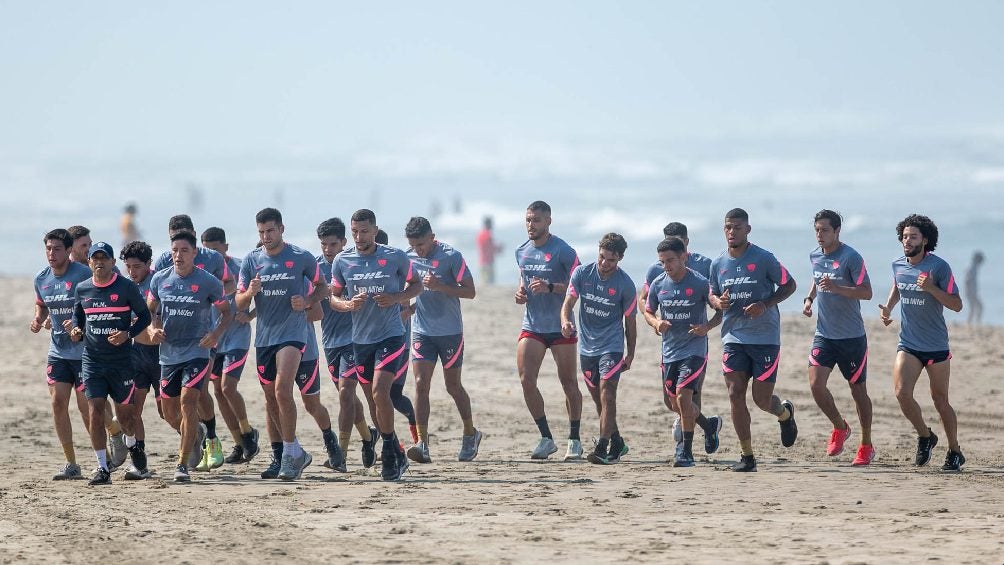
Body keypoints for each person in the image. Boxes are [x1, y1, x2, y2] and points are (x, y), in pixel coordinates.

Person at [329, 209, 422, 481]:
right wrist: (347, 305)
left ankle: (390, 457)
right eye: (355, 232)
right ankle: (395, 448)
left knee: (382, 392)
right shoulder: (342, 261)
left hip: (391, 334)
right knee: (372, 399)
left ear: (374, 230)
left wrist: (395, 298)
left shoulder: (394, 257)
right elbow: (333, 298)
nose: (359, 237)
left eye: (364, 231)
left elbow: (416, 286)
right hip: (360, 340)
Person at [237, 208, 328, 480]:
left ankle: (290, 454)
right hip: (265, 336)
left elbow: (324, 287)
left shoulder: (300, 257)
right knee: (270, 398)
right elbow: (239, 302)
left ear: (281, 229)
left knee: (282, 389)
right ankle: (293, 452)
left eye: (270, 231)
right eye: (262, 232)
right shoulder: (251, 261)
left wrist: (309, 301)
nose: (266, 236)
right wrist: (249, 293)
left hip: (293, 333)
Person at [708, 208, 798, 472]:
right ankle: (747, 456)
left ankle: (784, 413)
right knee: (735, 394)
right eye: (727, 227)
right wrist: (718, 301)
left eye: (737, 227)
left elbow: (789, 285)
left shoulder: (763, 258)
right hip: (733, 336)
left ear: (747, 229)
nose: (732, 232)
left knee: (761, 399)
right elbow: (713, 295)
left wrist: (765, 304)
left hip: (765, 337)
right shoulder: (718, 264)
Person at [878, 214, 965, 471]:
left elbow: (957, 305)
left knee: (940, 401)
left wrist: (931, 288)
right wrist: (889, 307)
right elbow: (899, 284)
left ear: (925, 240)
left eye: (913, 236)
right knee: (902, 394)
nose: (907, 241)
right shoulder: (898, 264)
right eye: (904, 236)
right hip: (909, 343)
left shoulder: (939, 268)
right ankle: (926, 436)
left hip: (936, 345)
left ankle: (954, 450)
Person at [147, 231, 230, 482]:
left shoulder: (208, 282)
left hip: (197, 351)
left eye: (184, 251)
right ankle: (197, 434)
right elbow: (151, 310)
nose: (178, 256)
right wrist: (153, 328)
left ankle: (181, 465)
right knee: (169, 412)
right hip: (168, 353)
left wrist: (215, 335)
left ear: (194, 253)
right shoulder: (159, 279)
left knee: (188, 402)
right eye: (174, 251)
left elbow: (226, 313)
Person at [67, 242, 151, 485]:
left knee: (127, 418)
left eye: (105, 258)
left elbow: (144, 316)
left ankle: (133, 444)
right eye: (95, 258)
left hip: (122, 361)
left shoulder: (125, 287)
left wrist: (128, 333)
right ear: (90, 262)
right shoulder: (82, 289)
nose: (99, 262)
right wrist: (75, 330)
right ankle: (102, 468)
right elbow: (77, 316)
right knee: (95, 412)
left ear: (113, 263)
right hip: (92, 360)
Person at [404, 216, 481, 463]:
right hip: (422, 331)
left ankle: (470, 433)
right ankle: (422, 443)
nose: (418, 250)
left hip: (449, 331)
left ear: (432, 237)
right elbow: (407, 288)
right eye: (414, 246)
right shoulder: (408, 258)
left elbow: (470, 292)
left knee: (452, 386)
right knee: (420, 384)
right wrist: (408, 306)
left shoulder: (451, 256)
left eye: (422, 245)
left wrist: (440, 286)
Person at [802, 210, 876, 465]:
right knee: (815, 385)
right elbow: (817, 280)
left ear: (837, 231)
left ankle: (866, 444)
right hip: (825, 334)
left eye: (824, 230)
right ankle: (840, 426)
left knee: (858, 392)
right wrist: (809, 299)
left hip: (852, 337)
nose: (819, 235)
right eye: (817, 230)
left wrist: (837, 289)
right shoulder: (815, 255)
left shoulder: (851, 257)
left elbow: (866, 292)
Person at [644, 237, 723, 467]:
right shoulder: (658, 284)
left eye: (670, 260)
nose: (666, 266)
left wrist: (706, 326)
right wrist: (656, 323)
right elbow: (648, 311)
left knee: (683, 396)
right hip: (669, 351)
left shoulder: (698, 282)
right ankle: (709, 426)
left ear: (683, 257)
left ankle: (686, 452)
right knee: (675, 404)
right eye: (662, 262)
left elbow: (717, 308)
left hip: (694, 349)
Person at [514, 201, 583, 460]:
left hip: (560, 326)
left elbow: (580, 285)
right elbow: (524, 280)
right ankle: (546, 437)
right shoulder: (521, 251)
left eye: (537, 220)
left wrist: (552, 287)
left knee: (568, 383)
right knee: (526, 380)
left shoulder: (564, 251)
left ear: (549, 221)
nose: (531, 225)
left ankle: (574, 439)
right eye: (528, 220)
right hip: (532, 325)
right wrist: (521, 292)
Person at [560, 233, 637, 465]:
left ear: (620, 259)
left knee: (608, 394)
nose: (604, 264)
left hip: (611, 346)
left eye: (611, 260)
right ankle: (618, 442)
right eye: (602, 257)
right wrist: (565, 321)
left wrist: (630, 353)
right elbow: (568, 303)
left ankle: (602, 448)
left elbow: (630, 323)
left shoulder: (625, 284)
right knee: (599, 400)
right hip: (587, 347)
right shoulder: (582, 274)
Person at [316, 218, 378, 472]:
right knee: (349, 398)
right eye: (324, 245)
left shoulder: (355, 263)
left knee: (345, 393)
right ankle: (367, 437)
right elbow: (312, 306)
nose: (328, 250)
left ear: (344, 242)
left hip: (355, 339)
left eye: (333, 244)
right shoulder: (315, 267)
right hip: (330, 341)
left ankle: (339, 454)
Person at [31, 228, 94, 480]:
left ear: (69, 251)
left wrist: (81, 327)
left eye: (57, 249)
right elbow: (42, 305)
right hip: (58, 351)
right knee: (58, 403)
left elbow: (97, 305)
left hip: (84, 351)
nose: (51, 253)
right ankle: (71, 463)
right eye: (48, 248)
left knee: (86, 406)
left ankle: (111, 437)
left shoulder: (83, 274)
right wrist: (38, 319)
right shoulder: (41, 278)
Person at [200, 227, 261, 466]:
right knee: (217, 391)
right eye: (207, 250)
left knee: (227, 387)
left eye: (216, 249)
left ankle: (247, 433)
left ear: (226, 247)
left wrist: (252, 315)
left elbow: (265, 296)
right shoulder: (201, 271)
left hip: (237, 337)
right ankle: (239, 442)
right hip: (214, 340)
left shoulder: (239, 267)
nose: (212, 254)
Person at [119, 241, 162, 479]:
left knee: (167, 413)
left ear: (148, 264)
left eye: (137, 266)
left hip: (163, 355)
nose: (132, 271)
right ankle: (140, 463)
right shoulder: (126, 286)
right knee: (133, 411)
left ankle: (194, 435)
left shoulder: (160, 282)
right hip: (136, 354)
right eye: (128, 267)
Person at [376, 229, 419, 446]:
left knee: (391, 394)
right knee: (378, 395)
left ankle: (415, 431)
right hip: (372, 343)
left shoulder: (394, 273)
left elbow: (406, 308)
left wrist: (406, 310)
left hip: (397, 344)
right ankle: (391, 442)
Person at [476, 216, 504, 286]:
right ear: (489, 224)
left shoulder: (480, 234)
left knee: (485, 282)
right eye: (491, 223)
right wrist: (499, 248)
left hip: (482, 261)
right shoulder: (488, 235)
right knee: (489, 283)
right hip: (488, 262)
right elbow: (491, 248)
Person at [965, 251, 984, 326]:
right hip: (971, 293)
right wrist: (970, 292)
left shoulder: (974, 267)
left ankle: (972, 323)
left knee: (974, 308)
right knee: (976, 307)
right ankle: (974, 323)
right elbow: (967, 280)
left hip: (972, 292)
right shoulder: (972, 267)